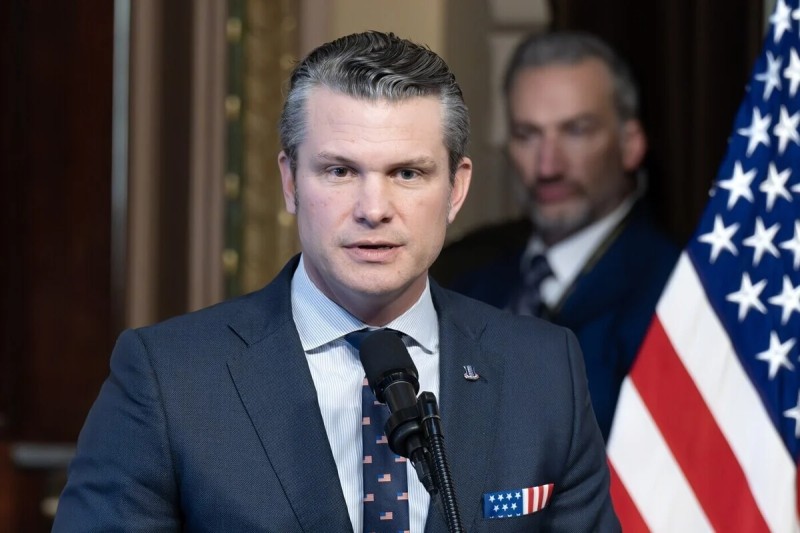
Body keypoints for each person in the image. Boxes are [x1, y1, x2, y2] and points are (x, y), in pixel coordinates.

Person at [53, 31, 619, 531]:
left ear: (456, 188)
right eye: (340, 171)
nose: (374, 209)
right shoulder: (168, 379)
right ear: (290, 182)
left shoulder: (544, 372)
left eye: (407, 173)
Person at [431, 31, 680, 442]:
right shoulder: (462, 276)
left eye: (576, 131)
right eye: (527, 135)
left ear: (630, 144)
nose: (548, 166)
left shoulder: (673, 293)